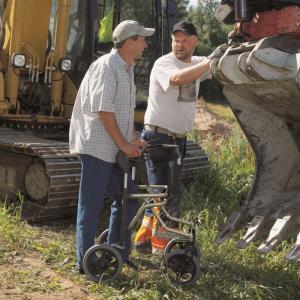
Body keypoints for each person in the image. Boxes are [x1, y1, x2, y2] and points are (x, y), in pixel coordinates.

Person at [134, 20, 226, 255]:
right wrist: (209, 61)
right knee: (168, 194)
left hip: (178, 140)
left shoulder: (196, 63)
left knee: (159, 192)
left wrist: (226, 48)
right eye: (176, 40)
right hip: (158, 137)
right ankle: (163, 250)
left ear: (195, 41)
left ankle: (144, 239)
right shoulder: (164, 63)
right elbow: (178, 79)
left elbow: (212, 66)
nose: (180, 44)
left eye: (185, 40)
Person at [69, 20, 154, 273]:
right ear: (129, 42)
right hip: (97, 147)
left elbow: (124, 111)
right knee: (91, 205)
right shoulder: (107, 67)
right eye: (142, 39)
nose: (146, 44)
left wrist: (132, 139)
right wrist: (125, 145)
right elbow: (104, 111)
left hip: (114, 147)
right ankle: (85, 263)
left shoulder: (126, 69)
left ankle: (114, 252)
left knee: (129, 198)